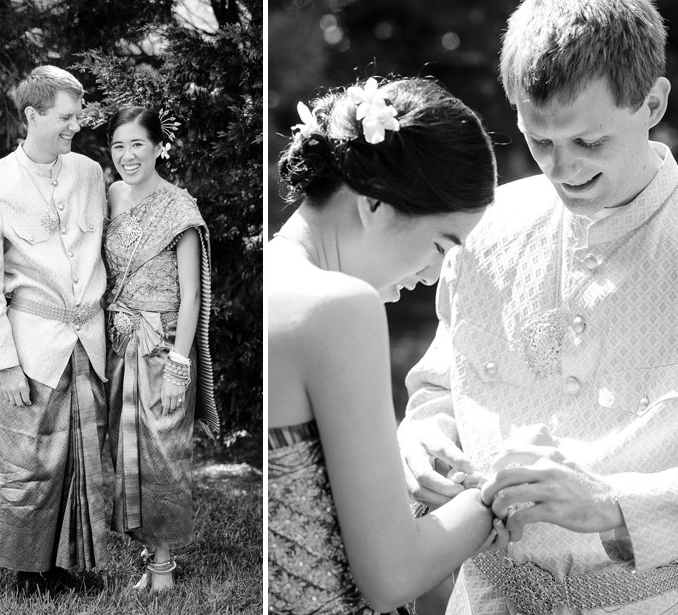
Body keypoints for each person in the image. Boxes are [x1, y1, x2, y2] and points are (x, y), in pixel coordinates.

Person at [398, 1, 678, 613]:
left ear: (652, 105)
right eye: (539, 140)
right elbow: (441, 388)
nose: (563, 167)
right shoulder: (485, 228)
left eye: (589, 139)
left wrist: (614, 505)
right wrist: (421, 441)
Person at [268, 76, 506, 615]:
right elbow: (392, 576)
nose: (432, 274)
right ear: (375, 205)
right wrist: (494, 496)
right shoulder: (339, 307)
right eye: (441, 244)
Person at [0, 65, 109, 594]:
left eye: (78, 115)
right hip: (33, 345)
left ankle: (73, 563)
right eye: (66, 116)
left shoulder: (91, 173)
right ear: (33, 115)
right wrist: (6, 366)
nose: (76, 125)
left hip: (89, 340)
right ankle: (30, 571)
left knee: (81, 455)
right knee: (30, 460)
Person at [103, 106, 218, 592]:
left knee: (164, 452)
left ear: (157, 147)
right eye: (117, 146)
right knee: (125, 447)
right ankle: (148, 547)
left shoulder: (179, 210)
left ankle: (164, 565)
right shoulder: (110, 196)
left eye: (137, 145)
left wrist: (179, 366)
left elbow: (192, 294)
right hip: (119, 340)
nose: (127, 156)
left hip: (164, 343)